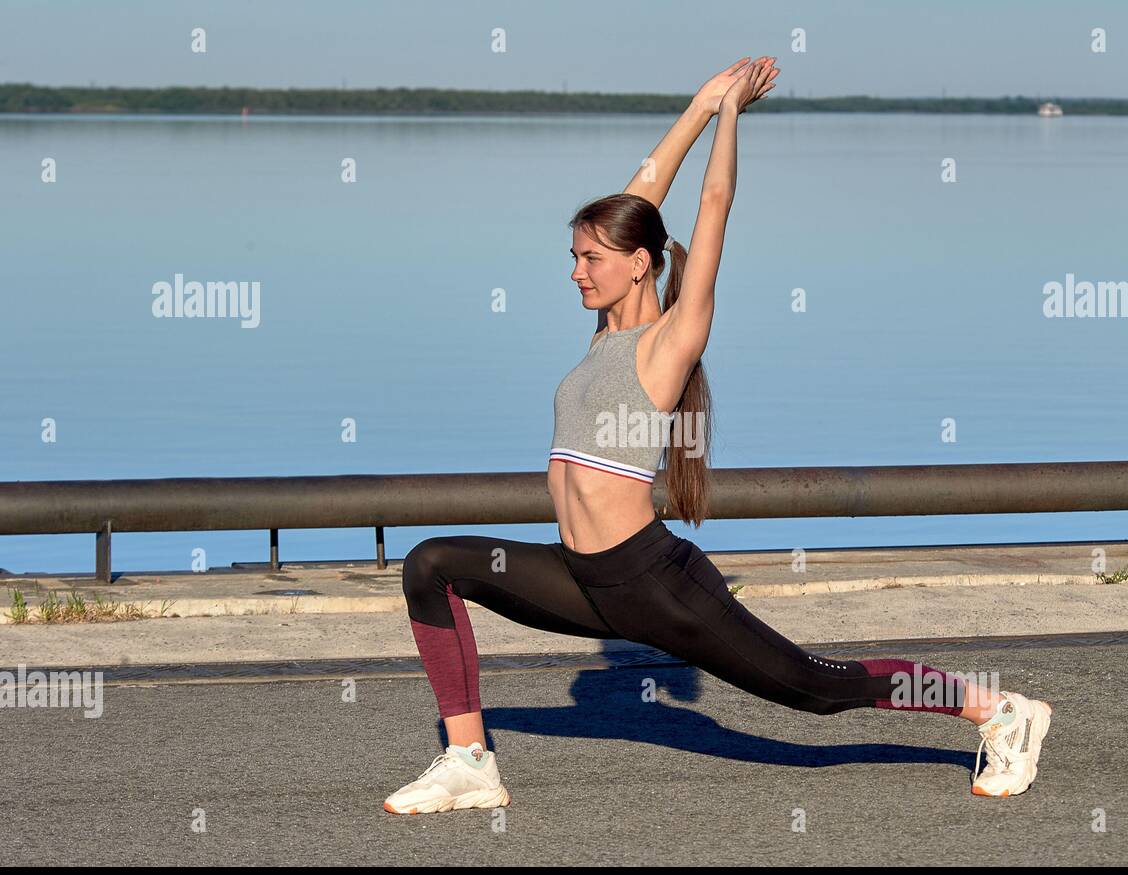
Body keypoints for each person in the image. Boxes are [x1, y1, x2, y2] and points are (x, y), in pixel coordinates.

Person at [384, 57, 1052, 814]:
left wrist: (731, 116)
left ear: (639, 267)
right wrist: (698, 104)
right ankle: (470, 761)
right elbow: (639, 194)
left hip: (655, 585)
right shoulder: (605, 331)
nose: (576, 272)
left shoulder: (671, 340)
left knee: (818, 688)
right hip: (583, 580)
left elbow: (714, 199)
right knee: (431, 564)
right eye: (573, 256)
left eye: (590, 259)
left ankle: (998, 710)